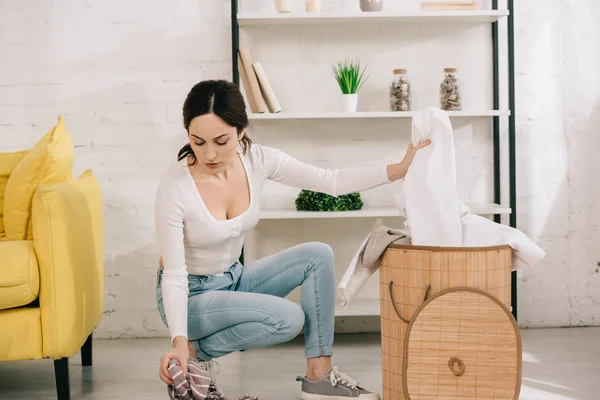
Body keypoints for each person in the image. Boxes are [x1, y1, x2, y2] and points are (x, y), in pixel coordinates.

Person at [154, 79, 431, 399]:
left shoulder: (257, 160)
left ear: (241, 131)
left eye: (221, 140)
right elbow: (174, 274)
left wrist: (397, 170)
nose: (210, 153)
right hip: (192, 297)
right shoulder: (175, 186)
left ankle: (320, 377)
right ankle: (192, 354)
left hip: (234, 279)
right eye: (198, 141)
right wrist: (177, 340)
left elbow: (332, 181)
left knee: (318, 254)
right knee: (287, 319)